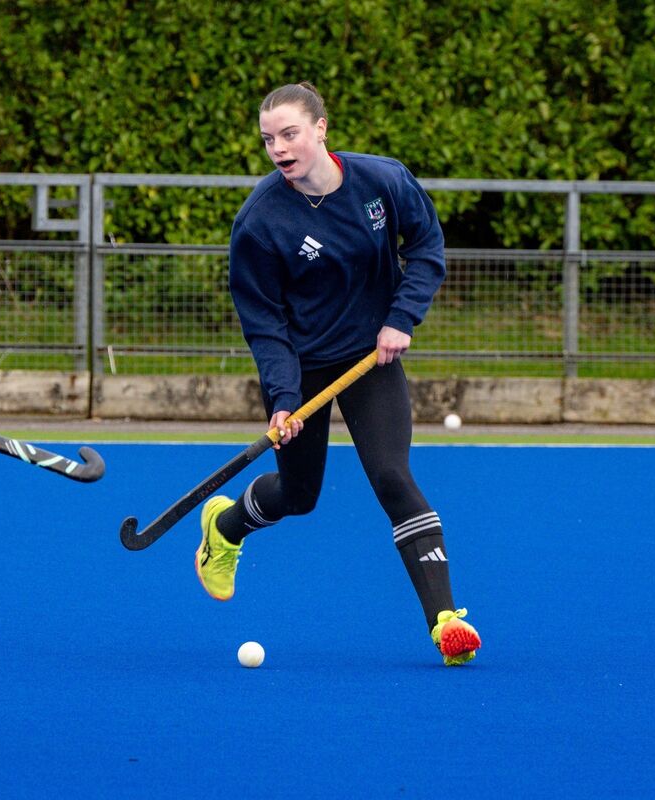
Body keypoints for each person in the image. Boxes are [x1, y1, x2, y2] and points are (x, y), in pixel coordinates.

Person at [196, 82, 480, 666]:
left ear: (321, 128)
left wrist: (402, 317)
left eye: (289, 133)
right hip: (300, 369)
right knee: (299, 496)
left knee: (392, 476)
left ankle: (447, 623)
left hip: (372, 360)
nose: (278, 147)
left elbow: (426, 245)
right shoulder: (259, 222)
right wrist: (281, 398)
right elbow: (265, 323)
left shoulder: (383, 181)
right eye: (268, 138)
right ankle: (225, 525)